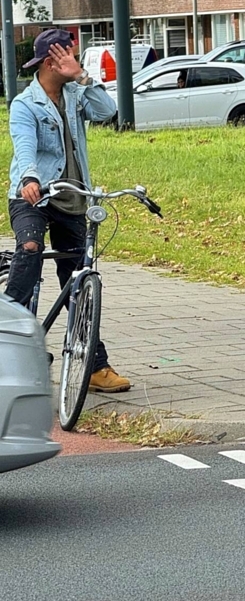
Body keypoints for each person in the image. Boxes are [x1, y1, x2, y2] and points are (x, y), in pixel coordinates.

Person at [5, 28, 131, 393]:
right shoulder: (25, 103)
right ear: (50, 62)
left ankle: (94, 365)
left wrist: (83, 77)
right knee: (29, 250)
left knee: (78, 279)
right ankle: (12, 338)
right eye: (69, 57)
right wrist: (29, 177)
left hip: (73, 197)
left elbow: (109, 111)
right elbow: (25, 145)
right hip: (34, 196)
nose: (74, 62)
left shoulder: (76, 93)